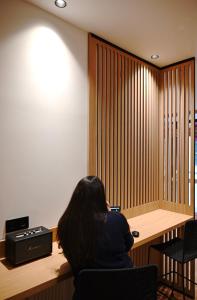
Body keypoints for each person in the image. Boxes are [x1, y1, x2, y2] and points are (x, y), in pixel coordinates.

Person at [57, 176, 134, 279]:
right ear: (101, 197)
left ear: (76, 198)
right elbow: (128, 244)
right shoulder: (116, 218)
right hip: (126, 288)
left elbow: (70, 256)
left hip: (89, 292)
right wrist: (109, 213)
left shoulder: (65, 224)